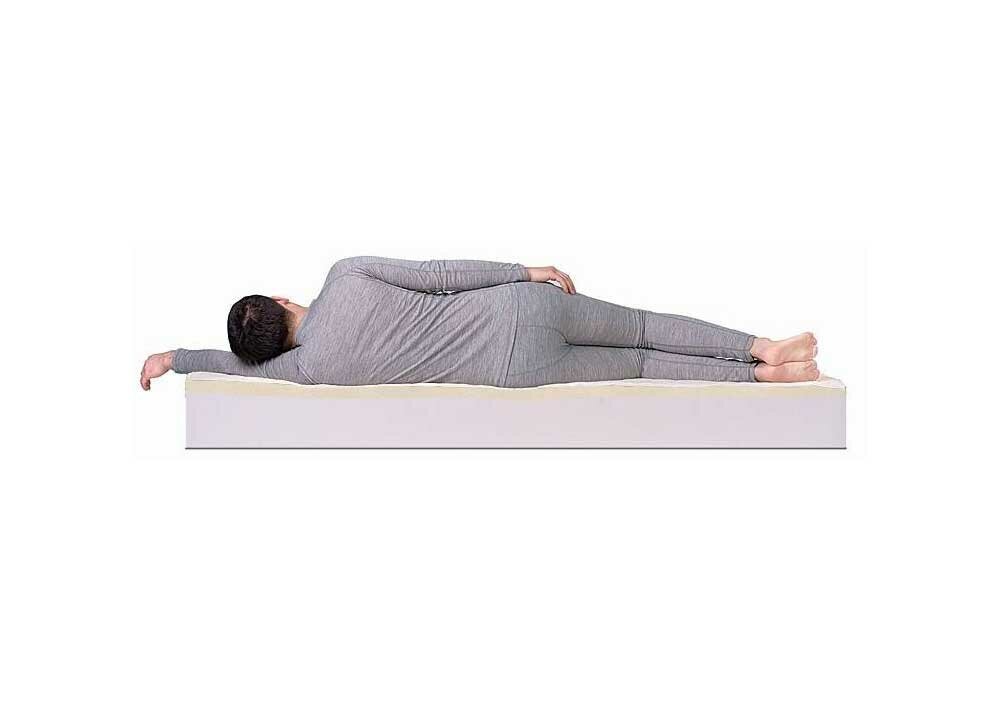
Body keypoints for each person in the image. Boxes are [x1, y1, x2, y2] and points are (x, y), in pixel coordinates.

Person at [139, 256, 819, 390]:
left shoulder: (311, 369)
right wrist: (525, 270)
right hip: (518, 307)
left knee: (641, 364)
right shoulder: (344, 277)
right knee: (642, 326)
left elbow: (235, 366)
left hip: (514, 369)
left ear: (269, 352)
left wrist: (176, 359)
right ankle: (761, 347)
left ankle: (762, 378)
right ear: (284, 300)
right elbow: (441, 274)